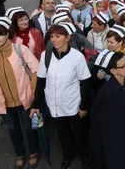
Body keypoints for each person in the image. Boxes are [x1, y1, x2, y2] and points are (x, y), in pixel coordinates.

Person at [0, 17, 40, 169]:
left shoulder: (21, 50)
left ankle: (34, 151)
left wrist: (34, 97)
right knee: (13, 130)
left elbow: (35, 72)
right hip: (3, 104)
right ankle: (19, 154)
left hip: (25, 99)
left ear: (7, 34)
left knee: (29, 128)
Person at [31, 24, 91, 169]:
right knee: (63, 133)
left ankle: (84, 156)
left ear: (67, 37)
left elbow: (85, 83)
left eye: (58, 36)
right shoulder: (46, 55)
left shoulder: (77, 57)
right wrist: (36, 104)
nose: (54, 40)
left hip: (73, 103)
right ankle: (67, 155)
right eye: (52, 36)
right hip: (55, 104)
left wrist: (84, 106)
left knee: (79, 132)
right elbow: (41, 81)